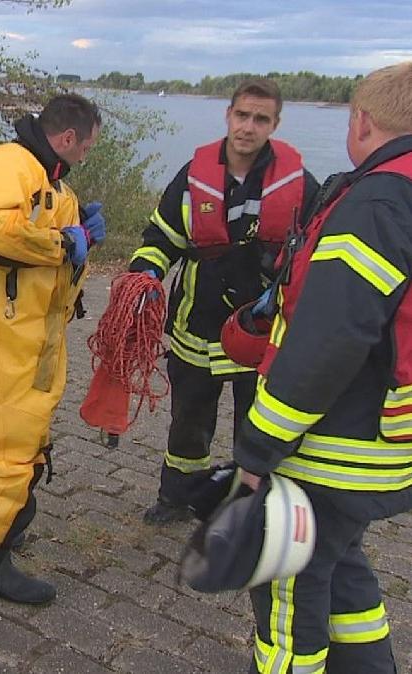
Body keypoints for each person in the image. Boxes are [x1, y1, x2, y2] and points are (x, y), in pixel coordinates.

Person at [233, 62, 412, 674]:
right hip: (382, 444)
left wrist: (258, 450)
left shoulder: (376, 204)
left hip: (332, 447)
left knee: (286, 592)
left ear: (361, 120)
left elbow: (330, 340)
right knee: (342, 573)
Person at [128, 78, 319, 524]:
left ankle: (248, 509)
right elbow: (162, 237)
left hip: (262, 331)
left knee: (257, 430)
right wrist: (145, 273)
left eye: (261, 119)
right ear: (228, 115)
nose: (249, 127)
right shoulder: (193, 177)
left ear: (274, 124)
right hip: (198, 324)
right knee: (189, 424)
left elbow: (314, 251)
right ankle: (177, 499)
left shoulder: (297, 182)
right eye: (242, 115)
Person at [0, 94, 105, 605]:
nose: (86, 155)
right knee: (11, 441)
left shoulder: (49, 182)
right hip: (3, 334)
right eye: (87, 146)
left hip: (17, 333)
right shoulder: (11, 165)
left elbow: (44, 246)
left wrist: (81, 240)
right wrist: (63, 242)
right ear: (67, 138)